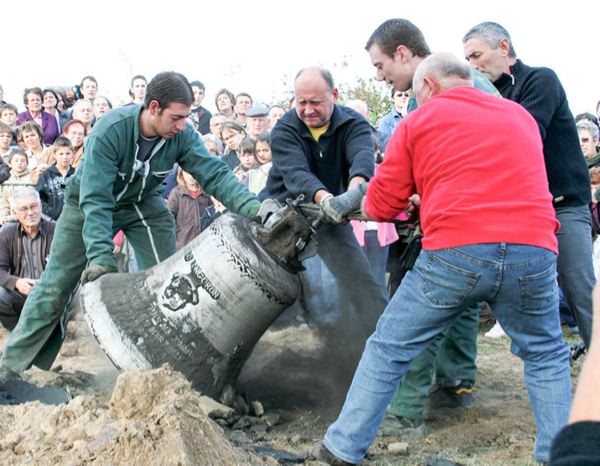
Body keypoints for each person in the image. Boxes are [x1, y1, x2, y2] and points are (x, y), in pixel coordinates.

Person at [312, 52, 571, 466]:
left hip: (457, 250)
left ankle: (342, 448)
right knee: (545, 353)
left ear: (428, 86)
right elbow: (501, 179)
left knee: (389, 346)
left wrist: (404, 200)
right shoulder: (519, 117)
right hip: (533, 248)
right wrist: (429, 198)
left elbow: (380, 204)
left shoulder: (419, 120)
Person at [0, 71, 261, 378]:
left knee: (167, 285)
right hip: (86, 204)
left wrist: (254, 209)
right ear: (153, 107)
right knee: (55, 287)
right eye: (176, 118)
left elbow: (214, 174)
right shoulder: (111, 130)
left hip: (141, 204)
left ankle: (168, 368)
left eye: (185, 118)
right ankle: (14, 370)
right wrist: (100, 256)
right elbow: (95, 198)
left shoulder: (184, 136)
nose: (181, 126)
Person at [364, 18, 501, 437]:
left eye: (381, 65)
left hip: (460, 225)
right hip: (485, 222)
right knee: (462, 305)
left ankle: (404, 411)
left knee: (418, 311)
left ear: (403, 54)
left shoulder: (444, 90)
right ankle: (457, 386)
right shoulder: (467, 83)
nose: (380, 75)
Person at [463, 22, 594, 349]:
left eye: (477, 55)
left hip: (562, 204)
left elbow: (522, 136)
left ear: (503, 47)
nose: (472, 65)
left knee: (578, 287)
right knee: (525, 291)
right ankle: (549, 362)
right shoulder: (486, 97)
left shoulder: (540, 80)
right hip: (520, 211)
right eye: (467, 59)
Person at [260, 66, 388, 338]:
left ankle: (382, 343)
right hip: (282, 216)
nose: (307, 110)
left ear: (334, 95)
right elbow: (296, 175)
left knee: (361, 281)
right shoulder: (284, 128)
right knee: (271, 285)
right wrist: (326, 198)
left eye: (315, 102)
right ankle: (276, 347)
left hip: (332, 217)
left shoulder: (355, 124)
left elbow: (362, 161)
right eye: (301, 102)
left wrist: (351, 195)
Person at [0, 188, 55, 331]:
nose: (30, 212)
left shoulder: (56, 231)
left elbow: (70, 266)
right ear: (14, 213)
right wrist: (16, 282)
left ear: (41, 207)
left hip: (53, 293)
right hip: (22, 294)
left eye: (34, 206)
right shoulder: (7, 234)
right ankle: (18, 331)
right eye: (23, 209)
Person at [167, 167, 212, 249]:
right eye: (187, 173)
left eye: (193, 172)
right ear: (181, 174)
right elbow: (168, 219)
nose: (191, 176)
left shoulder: (207, 191)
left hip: (205, 244)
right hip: (183, 246)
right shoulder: (176, 193)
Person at [36, 136, 75, 221]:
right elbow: (38, 197)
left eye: (68, 153)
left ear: (73, 154)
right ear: (54, 155)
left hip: (74, 220)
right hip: (52, 221)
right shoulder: (46, 175)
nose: (65, 157)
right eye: (61, 154)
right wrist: (51, 212)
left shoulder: (76, 174)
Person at [0, 150, 33, 224]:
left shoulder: (31, 178)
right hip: (9, 219)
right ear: (10, 164)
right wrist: (3, 216)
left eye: (23, 161)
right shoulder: (7, 179)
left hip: (28, 217)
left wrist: (12, 217)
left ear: (27, 163)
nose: (19, 163)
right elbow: (4, 202)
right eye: (16, 161)